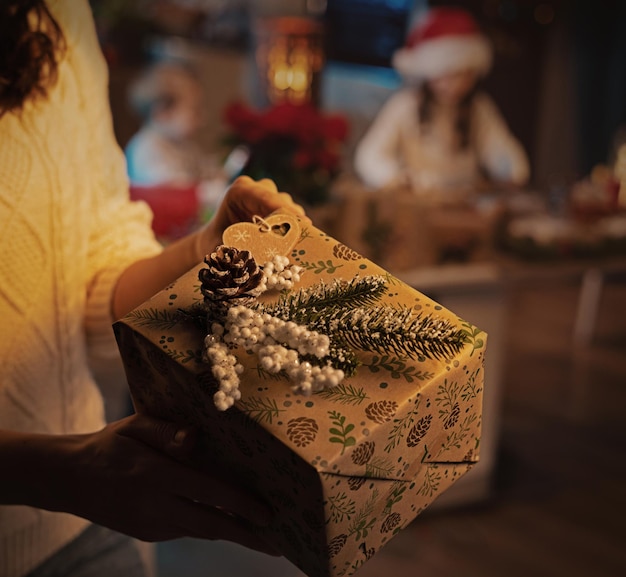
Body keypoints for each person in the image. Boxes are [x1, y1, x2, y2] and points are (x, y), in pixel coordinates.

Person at [0, 1, 306, 576]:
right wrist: (55, 472)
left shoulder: (57, 17)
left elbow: (92, 261)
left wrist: (199, 253)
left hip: (81, 524)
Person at [354, 6, 530, 194]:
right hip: (417, 204)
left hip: (462, 208)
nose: (456, 85)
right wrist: (394, 178)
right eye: (448, 75)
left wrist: (512, 171)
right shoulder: (406, 105)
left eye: (465, 75)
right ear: (429, 72)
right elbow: (369, 156)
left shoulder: (479, 108)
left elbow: (500, 150)